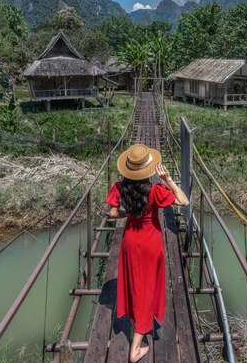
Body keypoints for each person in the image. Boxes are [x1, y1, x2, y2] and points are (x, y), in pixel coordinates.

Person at [105, 144, 189, 362]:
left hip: (130, 241)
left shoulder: (119, 187)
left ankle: (137, 329)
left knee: (134, 285)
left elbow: (112, 213)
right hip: (151, 242)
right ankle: (135, 347)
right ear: (148, 169)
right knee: (147, 288)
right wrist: (168, 179)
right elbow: (184, 201)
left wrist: (129, 214)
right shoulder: (155, 191)